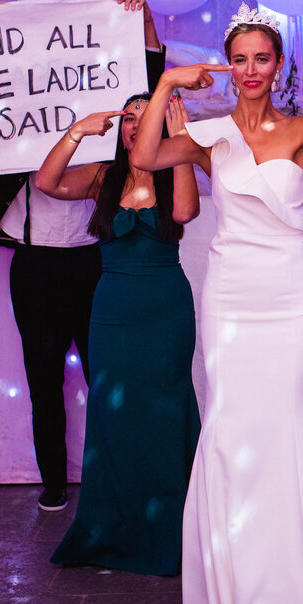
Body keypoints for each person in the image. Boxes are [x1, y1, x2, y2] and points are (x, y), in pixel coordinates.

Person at [129, 3, 303, 604]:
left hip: (290, 298)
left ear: (278, 65)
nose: (251, 69)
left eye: (262, 58)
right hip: (230, 298)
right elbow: (144, 156)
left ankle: (281, 595)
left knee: (282, 433)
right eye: (240, 59)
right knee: (230, 432)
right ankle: (233, 589)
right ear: (228, 67)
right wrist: (167, 83)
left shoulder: (302, 130)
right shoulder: (211, 134)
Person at [0, 0, 166, 513]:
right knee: (42, 375)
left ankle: (117, 474)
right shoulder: (11, 127)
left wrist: (145, 22)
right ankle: (52, 481)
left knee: (105, 371)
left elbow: (150, 83)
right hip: (35, 263)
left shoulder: (107, 140)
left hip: (93, 259)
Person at [34, 91, 200, 575]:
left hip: (165, 309)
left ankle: (170, 530)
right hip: (112, 310)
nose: (135, 125)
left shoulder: (173, 172)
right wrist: (77, 132)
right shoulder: (103, 177)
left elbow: (185, 213)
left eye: (146, 118)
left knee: (164, 413)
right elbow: (46, 182)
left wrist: (182, 144)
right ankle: (113, 526)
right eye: (130, 117)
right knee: (114, 414)